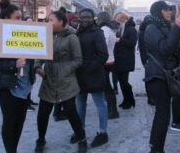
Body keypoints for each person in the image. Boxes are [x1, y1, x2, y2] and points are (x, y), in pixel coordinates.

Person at [0, 0, 34, 153]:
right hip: (8, 85)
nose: (21, 20)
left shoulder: (24, 32)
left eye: (21, 17)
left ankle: (14, 149)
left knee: (20, 122)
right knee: (10, 121)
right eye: (17, 18)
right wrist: (13, 65)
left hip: (25, 84)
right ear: (6, 19)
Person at [34, 10, 87, 153]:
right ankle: (41, 139)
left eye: (51, 20)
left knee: (70, 111)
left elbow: (78, 60)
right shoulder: (47, 35)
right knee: (43, 112)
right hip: (49, 79)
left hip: (66, 80)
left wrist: (64, 70)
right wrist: (37, 66)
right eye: (47, 20)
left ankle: (81, 138)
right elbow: (40, 52)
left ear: (61, 22)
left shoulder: (72, 37)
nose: (48, 23)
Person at [144, 1, 180, 153]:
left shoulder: (163, 26)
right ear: (159, 11)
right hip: (156, 76)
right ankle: (157, 150)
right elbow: (165, 48)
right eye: (167, 10)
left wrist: (178, 27)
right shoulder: (152, 28)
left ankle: (154, 146)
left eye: (170, 10)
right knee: (163, 115)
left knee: (161, 114)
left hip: (163, 75)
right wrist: (178, 29)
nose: (170, 13)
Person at [74, 8, 109, 148]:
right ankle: (80, 131)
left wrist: (88, 67)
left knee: (100, 104)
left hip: (93, 74)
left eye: (88, 17)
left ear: (93, 18)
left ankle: (103, 132)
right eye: (82, 17)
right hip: (79, 75)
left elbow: (103, 55)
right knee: (80, 104)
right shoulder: (76, 32)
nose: (85, 19)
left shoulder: (97, 33)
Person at [97, 11, 120, 119]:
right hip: (110, 59)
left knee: (107, 88)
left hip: (105, 61)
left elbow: (103, 44)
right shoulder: (110, 28)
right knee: (107, 87)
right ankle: (112, 109)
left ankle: (113, 111)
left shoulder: (104, 29)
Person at [113, 10, 138, 109]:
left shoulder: (131, 29)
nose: (118, 22)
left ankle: (130, 100)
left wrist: (120, 40)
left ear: (124, 19)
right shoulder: (122, 27)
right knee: (122, 81)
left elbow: (132, 43)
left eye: (119, 20)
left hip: (126, 59)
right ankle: (126, 100)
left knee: (124, 81)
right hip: (120, 59)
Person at [138, 15, 155, 106]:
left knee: (150, 79)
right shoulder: (142, 31)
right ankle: (150, 98)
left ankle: (152, 98)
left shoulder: (146, 30)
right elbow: (141, 48)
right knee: (149, 79)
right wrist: (144, 61)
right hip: (149, 59)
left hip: (151, 59)